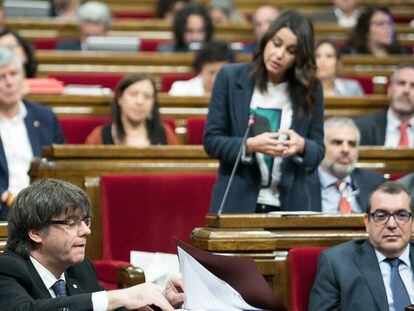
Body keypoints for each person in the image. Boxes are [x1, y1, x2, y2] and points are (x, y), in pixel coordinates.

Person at [204, 10, 325, 214]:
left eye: (291, 50)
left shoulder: (311, 88)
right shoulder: (230, 78)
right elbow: (212, 141)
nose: (279, 54)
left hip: (290, 204)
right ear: (266, 40)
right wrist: (249, 145)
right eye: (276, 43)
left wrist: (302, 146)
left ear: (300, 57)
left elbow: (318, 150)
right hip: (238, 202)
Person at [0, 178, 185, 310]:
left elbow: (112, 307)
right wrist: (116, 296)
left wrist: (162, 300)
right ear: (35, 232)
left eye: (84, 221)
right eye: (71, 223)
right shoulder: (7, 270)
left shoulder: (79, 268)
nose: (86, 231)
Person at [309, 181, 414, 311]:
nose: (392, 224)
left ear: (412, 222)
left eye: (401, 215)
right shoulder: (336, 263)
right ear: (367, 222)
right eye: (381, 216)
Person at [0, 47, 65, 221]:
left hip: (46, 209)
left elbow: (63, 165)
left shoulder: (44, 117)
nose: (10, 82)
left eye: (14, 74)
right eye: (2, 77)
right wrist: (7, 198)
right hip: (4, 209)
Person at [308, 117, 384, 213]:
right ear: (321, 146)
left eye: (352, 144)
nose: (345, 150)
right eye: (337, 142)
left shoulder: (375, 182)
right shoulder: (302, 183)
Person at [85, 73, 177, 145]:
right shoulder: (99, 136)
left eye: (147, 96)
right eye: (133, 94)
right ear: (120, 98)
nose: (140, 102)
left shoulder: (165, 133)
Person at [355, 63, 414, 147]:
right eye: (401, 83)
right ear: (389, 90)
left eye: (413, 86)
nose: (406, 90)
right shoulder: (362, 128)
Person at [169, 41, 235, 96]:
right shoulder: (180, 90)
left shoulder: (237, 94)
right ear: (200, 70)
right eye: (211, 72)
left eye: (222, 73)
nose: (215, 79)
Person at [343, 6, 409, 56]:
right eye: (380, 24)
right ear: (366, 29)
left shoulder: (402, 53)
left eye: (390, 23)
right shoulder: (352, 53)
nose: (388, 28)